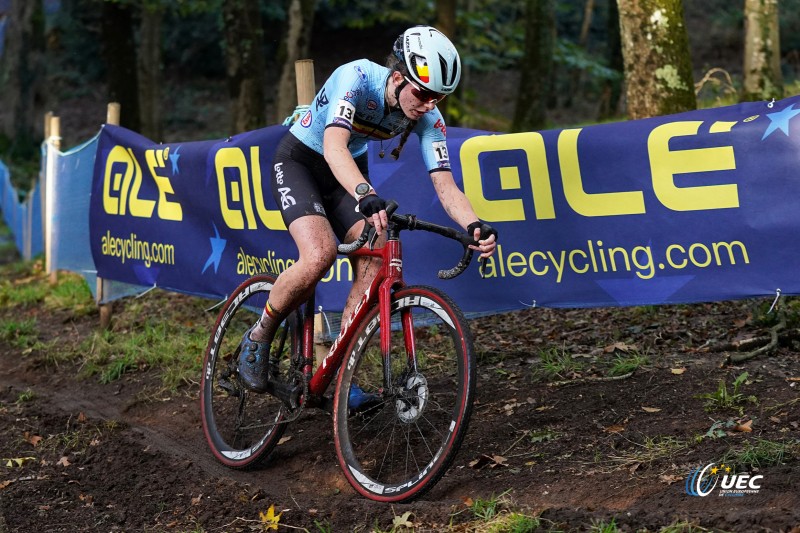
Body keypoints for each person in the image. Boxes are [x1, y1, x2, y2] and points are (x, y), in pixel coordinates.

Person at [238, 25, 498, 393]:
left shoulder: (428, 118)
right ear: (397, 77)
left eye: (438, 98)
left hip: (348, 174)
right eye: (423, 94)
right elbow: (333, 146)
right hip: (302, 161)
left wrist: (473, 224)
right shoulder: (356, 76)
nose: (427, 106)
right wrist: (364, 192)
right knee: (319, 255)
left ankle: (340, 373)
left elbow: (445, 184)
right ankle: (259, 333)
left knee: (374, 259)